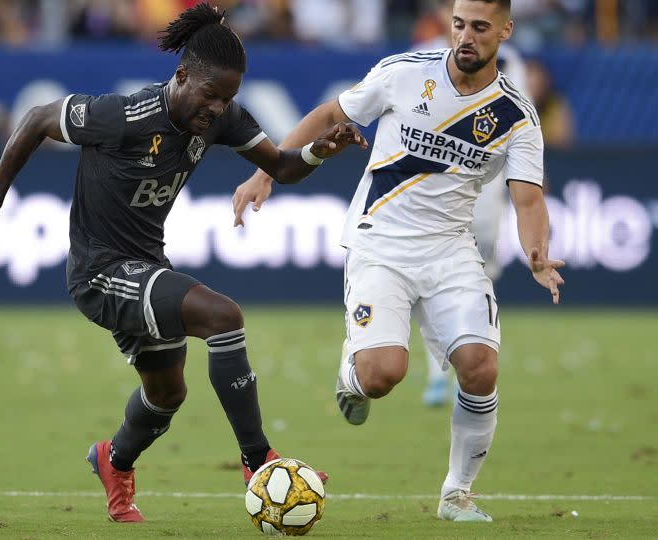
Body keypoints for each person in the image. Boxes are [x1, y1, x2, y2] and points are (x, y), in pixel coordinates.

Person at [0, 3, 363, 523]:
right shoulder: (124, 116)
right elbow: (36, 119)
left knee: (167, 394)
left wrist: (318, 151)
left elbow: (280, 167)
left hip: (146, 263)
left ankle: (112, 459)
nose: (217, 108)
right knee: (224, 317)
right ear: (182, 74)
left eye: (228, 98)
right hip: (98, 272)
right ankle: (259, 460)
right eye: (211, 94)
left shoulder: (223, 118)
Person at [233, 0, 564, 522]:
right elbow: (328, 115)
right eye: (459, 25)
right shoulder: (403, 73)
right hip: (379, 242)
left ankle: (456, 495)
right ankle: (353, 371)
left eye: (480, 28)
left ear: (505, 30)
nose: (466, 38)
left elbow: (528, 199)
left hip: (450, 249)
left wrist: (537, 251)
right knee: (384, 373)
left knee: (481, 367)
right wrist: (267, 169)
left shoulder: (516, 117)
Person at [414, 0, 529, 407]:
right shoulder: (424, 56)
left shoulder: (510, 63)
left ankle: (468, 357)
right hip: (434, 193)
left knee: (479, 278)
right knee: (425, 278)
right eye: (454, 15)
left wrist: (532, 186)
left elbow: (524, 130)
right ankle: (435, 372)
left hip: (488, 195)